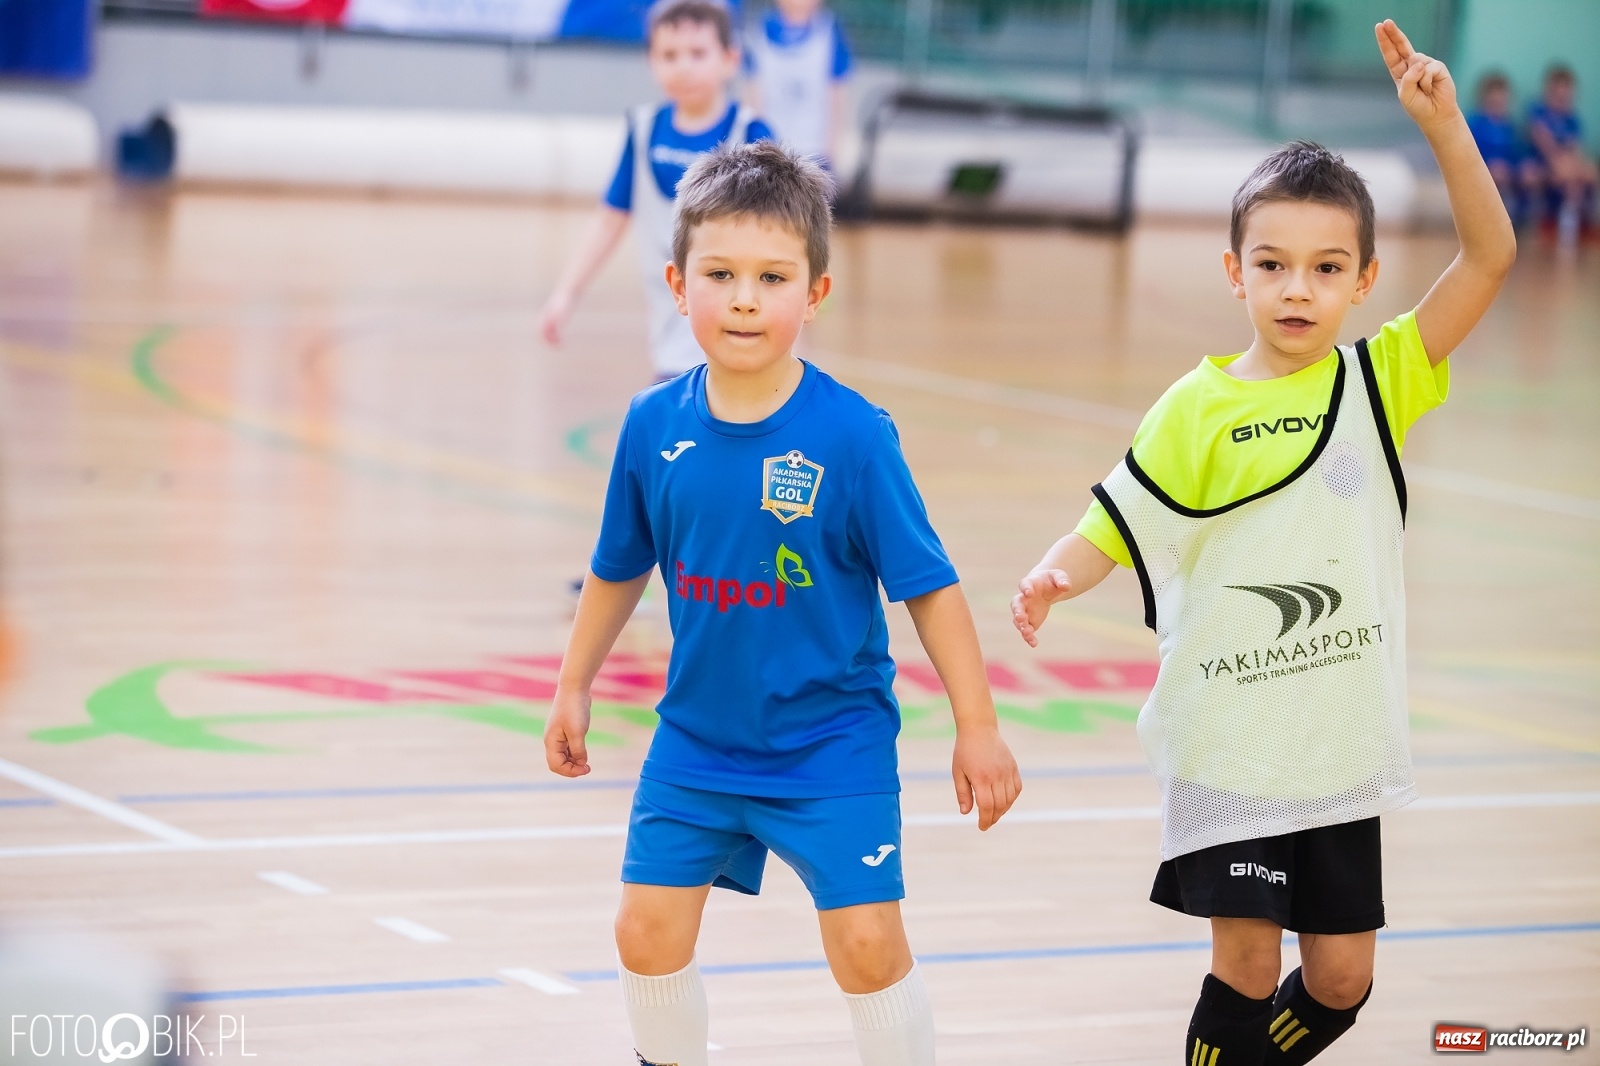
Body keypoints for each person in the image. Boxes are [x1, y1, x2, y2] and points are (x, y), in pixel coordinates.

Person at [1009, 20, 1513, 1066]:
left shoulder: (1380, 382)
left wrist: (1445, 126)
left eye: (1325, 267)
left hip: (1337, 746)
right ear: (1234, 271)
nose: (1297, 288)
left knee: (1340, 980)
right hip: (1227, 739)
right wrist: (1058, 572)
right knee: (1242, 968)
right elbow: (1115, 520)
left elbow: (1491, 254)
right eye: (1273, 264)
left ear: (1363, 279)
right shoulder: (1193, 408)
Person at [545, 141, 1022, 1066]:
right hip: (697, 742)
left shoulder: (852, 436)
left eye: (772, 277)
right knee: (643, 933)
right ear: (679, 287)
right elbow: (616, 568)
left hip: (829, 744)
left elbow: (929, 587)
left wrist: (978, 723)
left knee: (867, 949)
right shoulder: (652, 427)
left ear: (817, 292)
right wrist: (573, 685)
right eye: (720, 275)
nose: (745, 299)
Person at [539, 0, 776, 381]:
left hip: (739, 342)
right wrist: (566, 294)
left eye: (698, 53)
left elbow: (783, 234)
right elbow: (608, 220)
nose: (683, 66)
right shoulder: (644, 129)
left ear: (730, 59)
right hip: (670, 346)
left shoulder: (752, 135)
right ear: (650, 61)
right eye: (669, 54)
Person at [742, 0, 853, 169]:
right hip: (770, 151)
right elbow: (753, 93)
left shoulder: (830, 31)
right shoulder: (759, 31)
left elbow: (837, 93)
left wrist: (834, 148)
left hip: (815, 150)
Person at [1526, 64, 1596, 244]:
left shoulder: (1572, 119)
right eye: (1559, 92)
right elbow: (1544, 145)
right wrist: (1562, 163)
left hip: (1564, 165)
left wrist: (1575, 166)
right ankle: (1561, 221)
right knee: (1563, 170)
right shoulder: (1538, 111)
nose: (1563, 96)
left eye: (1567, 92)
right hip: (1541, 162)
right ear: (1550, 90)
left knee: (1589, 171)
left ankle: (1582, 221)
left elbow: (1576, 149)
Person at [1467, 72, 1536, 223]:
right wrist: (1487, 166)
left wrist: (1525, 166)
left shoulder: (1510, 125)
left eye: (1502, 96)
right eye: (1494, 97)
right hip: (1483, 171)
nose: (1498, 100)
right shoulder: (1474, 124)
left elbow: (1519, 153)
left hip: (1508, 171)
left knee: (1528, 174)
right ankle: (1491, 221)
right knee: (1497, 174)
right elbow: (1467, 155)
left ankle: (1522, 220)